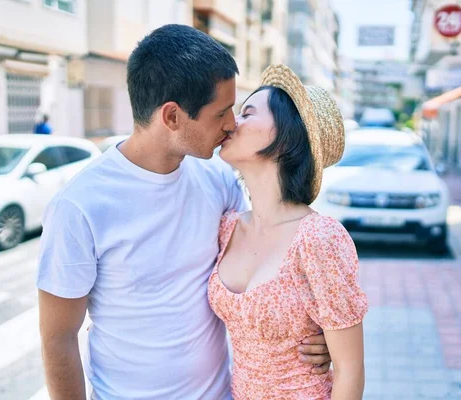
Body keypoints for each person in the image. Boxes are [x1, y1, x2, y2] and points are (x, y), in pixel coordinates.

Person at [36, 25, 331, 400]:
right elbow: (57, 339)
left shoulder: (217, 179)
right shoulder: (79, 206)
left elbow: (265, 268)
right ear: (172, 116)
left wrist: (316, 331)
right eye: (222, 112)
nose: (231, 125)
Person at [209, 65, 368, 399]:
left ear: (285, 136)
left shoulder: (318, 238)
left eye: (247, 113)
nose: (232, 123)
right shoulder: (227, 227)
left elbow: (350, 372)